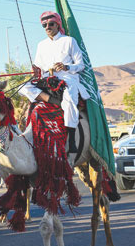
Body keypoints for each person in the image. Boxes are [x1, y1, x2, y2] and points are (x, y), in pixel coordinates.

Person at [19, 11, 90, 153]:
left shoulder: (69, 41)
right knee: (23, 87)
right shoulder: (41, 45)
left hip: (67, 77)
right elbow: (38, 65)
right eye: (44, 25)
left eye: (50, 24)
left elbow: (81, 65)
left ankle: (71, 136)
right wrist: (36, 71)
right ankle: (55, 102)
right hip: (47, 78)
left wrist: (66, 67)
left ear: (57, 25)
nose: (47, 27)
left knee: (69, 97)